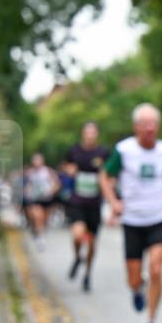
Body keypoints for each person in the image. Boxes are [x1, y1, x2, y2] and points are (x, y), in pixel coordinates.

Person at [100, 104, 162, 323]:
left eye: (153, 123)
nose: (149, 128)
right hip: (132, 221)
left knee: (156, 270)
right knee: (133, 279)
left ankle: (151, 322)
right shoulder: (123, 150)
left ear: (158, 126)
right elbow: (105, 177)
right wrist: (113, 201)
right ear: (136, 127)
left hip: (158, 218)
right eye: (144, 124)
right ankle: (137, 289)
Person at [64, 122, 111, 292]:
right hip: (78, 201)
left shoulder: (103, 153)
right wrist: (70, 170)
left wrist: (106, 180)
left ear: (97, 134)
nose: (90, 135)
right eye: (87, 132)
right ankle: (77, 257)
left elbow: (111, 173)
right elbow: (66, 165)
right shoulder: (74, 151)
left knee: (91, 243)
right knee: (77, 235)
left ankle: (88, 274)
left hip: (94, 203)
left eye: (93, 132)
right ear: (83, 134)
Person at [23, 153, 59, 250]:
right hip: (35, 199)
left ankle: (40, 232)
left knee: (44, 219)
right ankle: (39, 237)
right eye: (35, 160)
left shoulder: (48, 171)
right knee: (37, 216)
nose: (37, 163)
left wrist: (50, 191)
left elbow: (56, 184)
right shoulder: (30, 173)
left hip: (47, 199)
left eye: (38, 160)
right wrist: (27, 192)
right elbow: (28, 185)